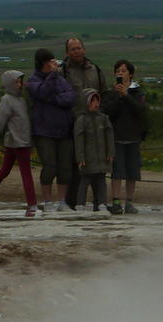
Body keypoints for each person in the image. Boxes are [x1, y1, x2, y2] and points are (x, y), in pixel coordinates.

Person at [0, 71, 38, 217]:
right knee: (24, 173)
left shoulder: (22, 100)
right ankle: (32, 204)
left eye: (20, 82)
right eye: (17, 82)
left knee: (4, 171)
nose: (20, 85)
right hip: (17, 143)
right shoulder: (6, 100)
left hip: (21, 142)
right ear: (9, 84)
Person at [26, 49, 76, 213]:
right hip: (44, 131)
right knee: (50, 166)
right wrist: (52, 77)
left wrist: (53, 100)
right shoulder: (33, 81)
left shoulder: (61, 80)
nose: (53, 63)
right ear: (43, 63)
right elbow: (42, 92)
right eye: (50, 61)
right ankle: (47, 201)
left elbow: (70, 97)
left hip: (64, 130)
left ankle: (62, 201)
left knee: (65, 167)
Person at [61, 37, 106, 211]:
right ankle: (73, 202)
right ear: (67, 52)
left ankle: (99, 202)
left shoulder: (95, 69)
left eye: (79, 48)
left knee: (97, 163)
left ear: (84, 49)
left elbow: (104, 92)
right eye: (72, 49)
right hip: (74, 122)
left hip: (96, 123)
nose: (76, 51)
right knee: (76, 163)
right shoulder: (63, 71)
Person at [101, 59, 147, 214]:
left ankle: (129, 202)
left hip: (133, 137)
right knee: (117, 171)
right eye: (118, 71)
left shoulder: (138, 92)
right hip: (117, 136)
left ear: (131, 74)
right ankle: (115, 201)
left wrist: (126, 95)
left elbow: (140, 110)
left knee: (132, 172)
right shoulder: (111, 93)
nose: (120, 73)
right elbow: (108, 111)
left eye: (123, 70)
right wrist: (118, 96)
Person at [73, 88, 114, 213]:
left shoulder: (103, 118)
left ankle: (102, 203)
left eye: (97, 100)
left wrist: (110, 153)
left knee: (101, 181)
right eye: (92, 101)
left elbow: (109, 136)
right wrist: (80, 158)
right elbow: (78, 140)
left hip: (102, 158)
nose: (96, 103)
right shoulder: (81, 120)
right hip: (88, 159)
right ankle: (80, 203)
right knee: (85, 181)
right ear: (85, 102)